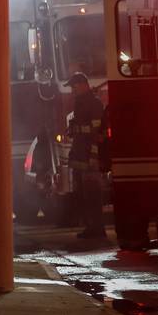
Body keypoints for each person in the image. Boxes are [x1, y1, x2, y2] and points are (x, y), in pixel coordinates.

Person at [66, 71, 108, 239]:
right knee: (85, 195)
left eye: (74, 86)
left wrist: (92, 156)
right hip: (81, 156)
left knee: (93, 194)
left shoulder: (94, 104)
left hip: (90, 157)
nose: (72, 90)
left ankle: (97, 228)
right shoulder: (81, 103)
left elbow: (96, 133)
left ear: (83, 85)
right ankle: (91, 227)